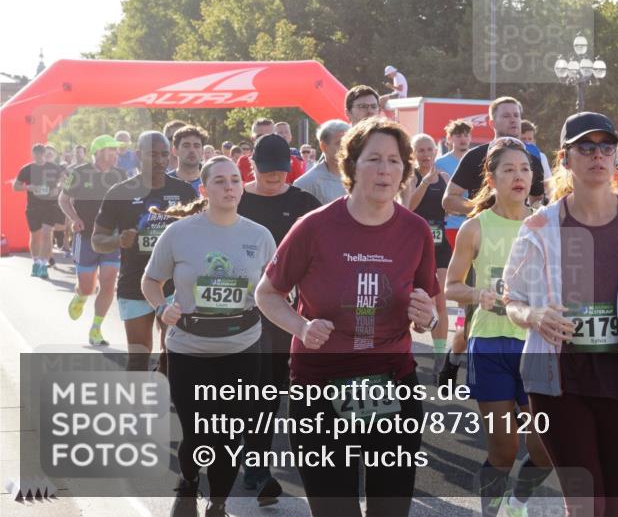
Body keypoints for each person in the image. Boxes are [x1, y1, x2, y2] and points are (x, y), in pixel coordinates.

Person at [255, 116, 439, 517]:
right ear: (351, 165)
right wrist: (301, 326)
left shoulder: (416, 230)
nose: (385, 170)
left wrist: (428, 318)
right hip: (319, 386)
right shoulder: (314, 227)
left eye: (394, 161)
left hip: (391, 383)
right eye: (374, 159)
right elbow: (267, 293)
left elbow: (426, 309)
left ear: (405, 171)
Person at [504, 112, 618, 517]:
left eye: (606, 147)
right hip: (560, 382)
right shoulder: (539, 227)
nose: (598, 155)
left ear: (616, 156)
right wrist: (535, 315)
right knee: (585, 505)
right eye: (586, 147)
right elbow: (512, 299)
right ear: (565, 158)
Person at [141, 156, 276, 517]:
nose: (229, 187)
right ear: (204, 189)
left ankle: (218, 502)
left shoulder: (260, 236)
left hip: (242, 347)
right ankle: (188, 483)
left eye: (235, 180)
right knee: (199, 432)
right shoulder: (179, 233)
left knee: (229, 434)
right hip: (189, 349)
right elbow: (151, 280)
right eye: (220, 181)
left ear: (242, 187)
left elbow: (273, 287)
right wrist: (161, 307)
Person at [445, 138, 551, 517]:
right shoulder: (475, 227)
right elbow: (451, 286)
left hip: (537, 345)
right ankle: (492, 512)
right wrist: (478, 294)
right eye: (508, 170)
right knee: (504, 451)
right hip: (491, 345)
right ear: (491, 179)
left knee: (546, 448)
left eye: (524, 169)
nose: (519, 176)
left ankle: (517, 501)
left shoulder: (546, 225)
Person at [237, 134, 320, 502]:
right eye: (267, 170)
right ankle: (255, 467)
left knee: (288, 392)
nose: (274, 177)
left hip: (291, 310)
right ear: (252, 166)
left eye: (281, 171)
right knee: (257, 393)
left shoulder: (303, 202)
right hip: (242, 310)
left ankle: (317, 466)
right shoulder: (236, 198)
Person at [93, 131, 198, 371]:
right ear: (139, 155)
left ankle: (167, 391)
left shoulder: (184, 192)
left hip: (174, 286)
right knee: (138, 358)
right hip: (134, 284)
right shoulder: (119, 192)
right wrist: (118, 240)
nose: (160, 160)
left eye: (164, 154)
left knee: (172, 354)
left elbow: (200, 234)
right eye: (153, 154)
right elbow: (97, 241)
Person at [59, 135, 127, 345]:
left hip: (111, 238)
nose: (116, 154)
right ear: (98, 152)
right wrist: (75, 218)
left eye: (117, 150)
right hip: (86, 236)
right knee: (88, 287)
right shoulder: (79, 173)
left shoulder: (121, 174)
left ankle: (96, 328)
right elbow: (63, 199)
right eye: (111, 150)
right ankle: (81, 295)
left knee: (108, 283)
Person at [443, 97, 546, 219]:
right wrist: (484, 210)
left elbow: (537, 201)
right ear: (492, 123)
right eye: (506, 116)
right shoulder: (474, 156)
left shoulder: (532, 159)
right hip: (482, 228)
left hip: (519, 228)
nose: (513, 120)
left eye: (516, 115)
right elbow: (449, 199)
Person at [404, 134, 452, 372]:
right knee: (413, 298)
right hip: (415, 246)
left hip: (440, 245)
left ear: (435, 151)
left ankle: (440, 356)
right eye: (420, 150)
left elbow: (450, 207)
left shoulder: (444, 177)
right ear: (414, 154)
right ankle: (403, 351)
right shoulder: (410, 178)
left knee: (440, 298)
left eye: (429, 149)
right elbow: (408, 207)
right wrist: (424, 183)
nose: (425, 154)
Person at [435, 119, 474, 381]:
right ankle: (460, 329)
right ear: (449, 139)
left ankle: (461, 333)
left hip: (478, 226)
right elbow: (443, 199)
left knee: (471, 286)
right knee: (459, 285)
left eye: (466, 135)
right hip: (451, 228)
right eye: (458, 135)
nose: (462, 139)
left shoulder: (476, 159)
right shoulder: (441, 163)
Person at [14, 143, 64, 279]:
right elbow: (16, 186)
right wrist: (28, 187)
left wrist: (58, 187)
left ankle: (43, 265)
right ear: (32, 154)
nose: (37, 157)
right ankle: (36, 262)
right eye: (35, 154)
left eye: (40, 154)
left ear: (44, 154)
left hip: (50, 206)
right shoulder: (27, 169)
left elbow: (66, 180)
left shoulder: (54, 167)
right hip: (33, 207)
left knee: (47, 234)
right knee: (35, 236)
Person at [294, 120, 349, 204]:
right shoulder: (306, 184)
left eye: (348, 142)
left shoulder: (362, 176)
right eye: (339, 143)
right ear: (323, 146)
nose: (345, 148)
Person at [167, 125, 208, 193]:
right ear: (174, 151)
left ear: (202, 151)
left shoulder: (210, 182)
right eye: (186, 146)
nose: (192, 150)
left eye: (196, 146)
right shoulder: (165, 182)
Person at [237, 118, 275, 182]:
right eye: (260, 136)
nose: (264, 140)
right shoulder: (243, 162)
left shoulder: (289, 162)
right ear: (252, 138)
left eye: (269, 136)